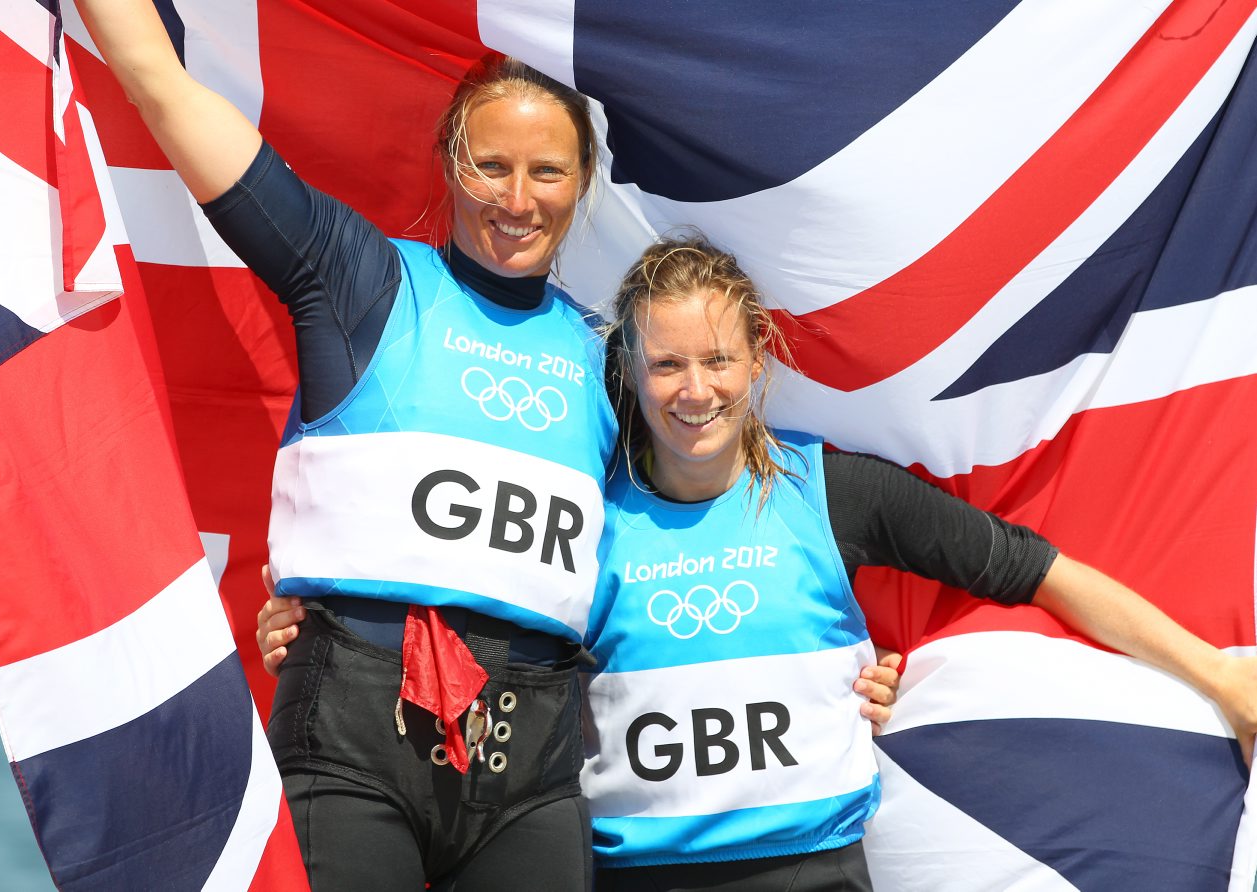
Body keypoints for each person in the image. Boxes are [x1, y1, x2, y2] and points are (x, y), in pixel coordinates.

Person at [74, 6, 899, 889]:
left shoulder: (609, 357)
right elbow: (165, 92)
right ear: (449, 166)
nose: (516, 199)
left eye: (547, 171)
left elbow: (715, 507)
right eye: (490, 166)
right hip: (354, 735)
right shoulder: (359, 279)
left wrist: (835, 666)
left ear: (583, 184)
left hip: (532, 765)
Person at [256, 235, 1257, 891]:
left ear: (759, 359)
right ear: (629, 375)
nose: (694, 390)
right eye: (665, 365)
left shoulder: (835, 494)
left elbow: (1032, 569)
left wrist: (1214, 671)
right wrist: (312, 628)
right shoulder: (587, 517)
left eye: (717, 360)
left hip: (811, 873)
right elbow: (453, 610)